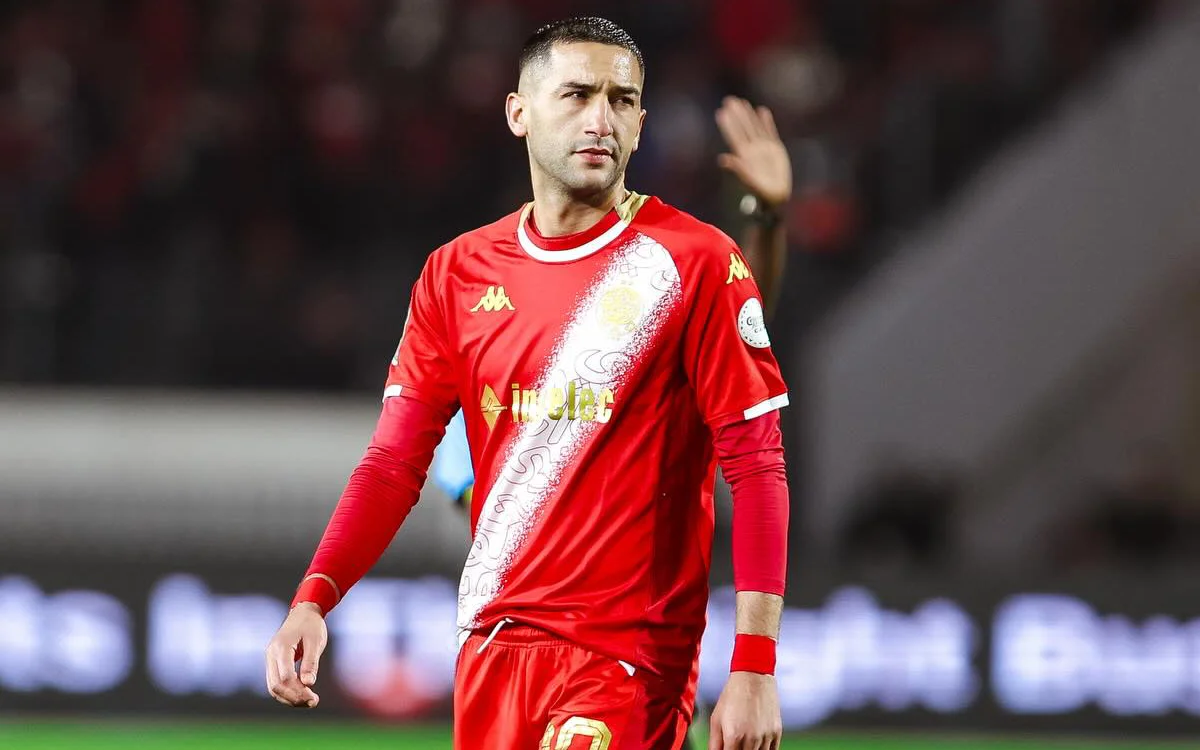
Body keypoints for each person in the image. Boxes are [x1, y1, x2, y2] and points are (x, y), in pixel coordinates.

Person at [265, 17, 791, 750]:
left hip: (626, 661)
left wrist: (755, 668)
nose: (600, 119)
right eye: (576, 94)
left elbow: (758, 463)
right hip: (491, 647)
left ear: (641, 123)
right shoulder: (456, 273)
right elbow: (394, 462)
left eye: (621, 100)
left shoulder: (693, 261)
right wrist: (314, 598)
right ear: (519, 111)